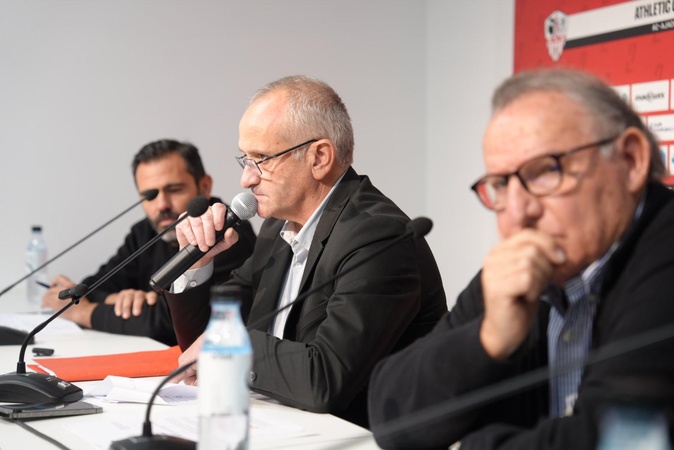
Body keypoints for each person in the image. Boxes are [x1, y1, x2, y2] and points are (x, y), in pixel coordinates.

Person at [368, 68, 674, 449]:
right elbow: (390, 416)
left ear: (630, 160)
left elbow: (624, 439)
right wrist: (489, 339)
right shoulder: (527, 266)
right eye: (500, 184)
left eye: (546, 171)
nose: (517, 212)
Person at [165, 75, 448, 427]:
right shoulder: (276, 229)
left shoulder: (376, 236)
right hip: (283, 426)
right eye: (246, 160)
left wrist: (236, 343)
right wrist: (197, 268)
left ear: (319, 157)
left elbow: (326, 380)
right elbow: (201, 351)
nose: (246, 179)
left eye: (262, 159)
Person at [41, 139, 257, 346]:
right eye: (150, 196)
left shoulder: (227, 233)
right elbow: (95, 286)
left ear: (204, 186)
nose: (162, 205)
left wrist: (82, 312)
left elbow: (165, 324)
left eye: (174, 190)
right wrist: (118, 298)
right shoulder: (145, 232)